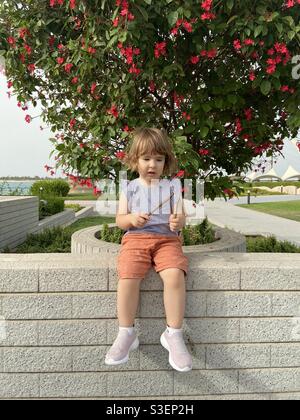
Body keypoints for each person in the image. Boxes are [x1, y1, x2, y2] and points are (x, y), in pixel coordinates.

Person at [105, 128, 192, 372]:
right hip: (136, 240)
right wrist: (132, 219)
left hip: (167, 240)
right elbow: (120, 220)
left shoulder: (173, 186)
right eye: (146, 159)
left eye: (159, 159)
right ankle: (126, 332)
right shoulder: (130, 187)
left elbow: (181, 216)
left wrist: (178, 222)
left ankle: (173, 334)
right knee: (128, 275)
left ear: (166, 161)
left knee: (175, 274)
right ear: (135, 160)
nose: (152, 165)